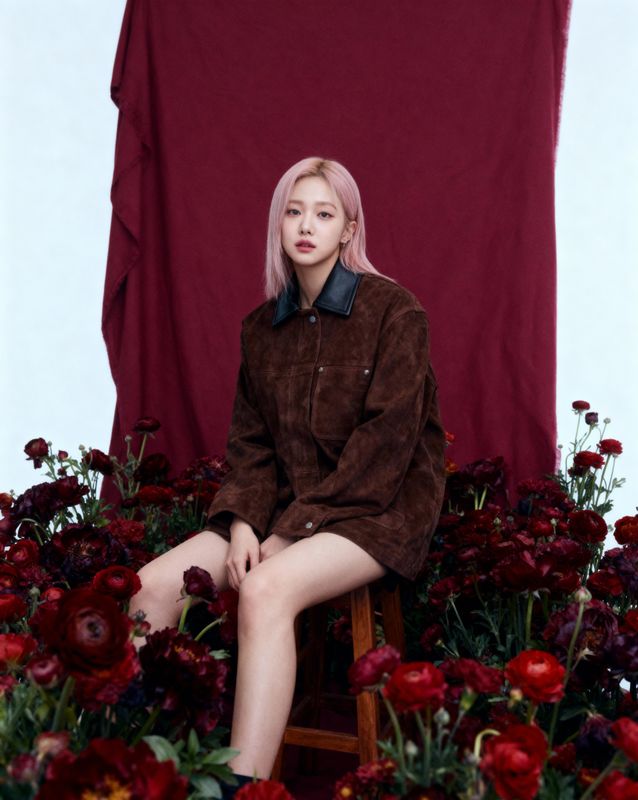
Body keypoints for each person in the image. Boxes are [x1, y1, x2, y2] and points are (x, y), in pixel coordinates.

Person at [129, 156, 447, 790]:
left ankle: (241, 787)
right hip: (280, 509)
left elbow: (382, 451)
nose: (307, 225)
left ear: (348, 230)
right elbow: (250, 446)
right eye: (294, 212)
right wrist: (245, 523)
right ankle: (145, 773)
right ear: (279, 225)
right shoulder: (260, 330)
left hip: (375, 514)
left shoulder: (394, 313)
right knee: (149, 587)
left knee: (266, 589)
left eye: (324, 214)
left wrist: (292, 533)